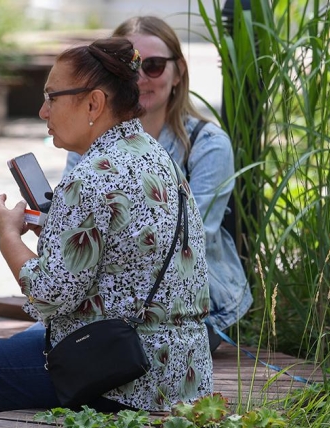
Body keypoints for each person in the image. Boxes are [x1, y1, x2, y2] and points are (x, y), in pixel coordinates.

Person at [0, 37, 213, 419]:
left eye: (52, 97)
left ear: (94, 103)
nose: (44, 111)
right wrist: (56, 231)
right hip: (183, 372)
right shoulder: (155, 155)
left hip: (121, 379)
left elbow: (47, 297)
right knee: (14, 348)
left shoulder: (90, 177)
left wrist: (8, 236)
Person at [64, 16, 252, 353]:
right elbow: (71, 226)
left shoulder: (207, 143)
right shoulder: (89, 140)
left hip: (191, 302)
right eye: (129, 67)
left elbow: (190, 240)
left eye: (153, 66)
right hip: (107, 299)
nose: (140, 78)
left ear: (178, 71)